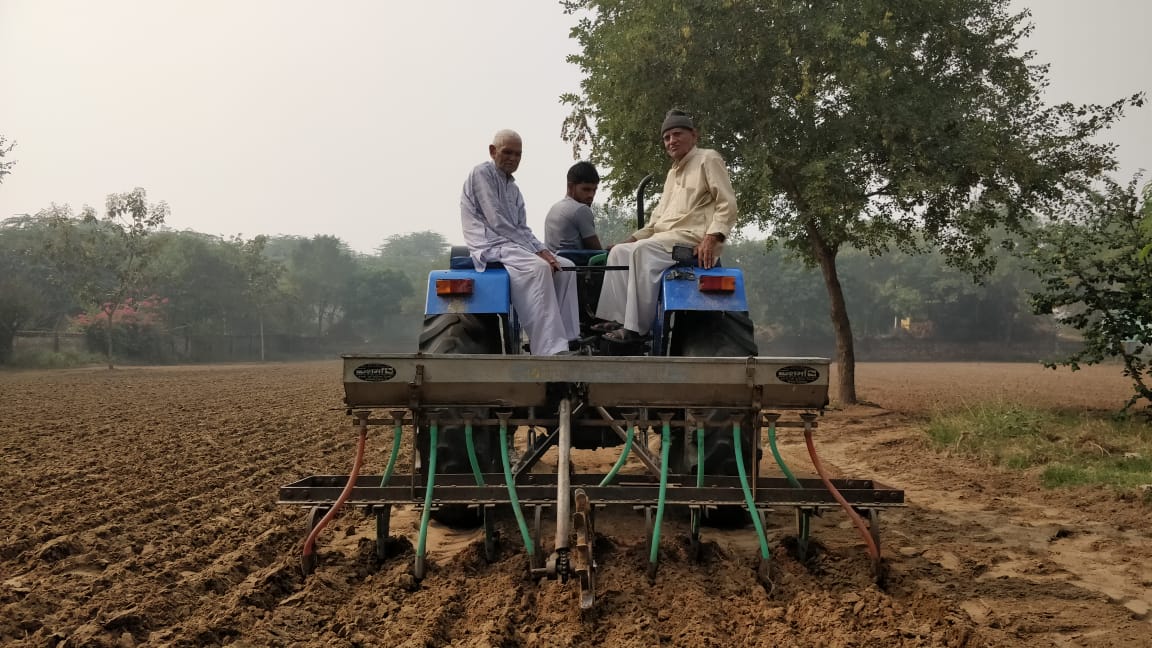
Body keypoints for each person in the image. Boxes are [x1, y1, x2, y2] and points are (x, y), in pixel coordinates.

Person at [595, 110, 738, 343]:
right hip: (665, 239)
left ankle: (637, 330)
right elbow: (656, 222)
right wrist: (629, 240)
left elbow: (727, 203)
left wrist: (712, 238)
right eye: (667, 137)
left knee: (643, 251)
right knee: (620, 252)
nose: (671, 141)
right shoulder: (672, 174)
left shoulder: (708, 158)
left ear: (694, 135)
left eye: (677, 134)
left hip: (692, 240)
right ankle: (619, 319)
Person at [460, 129, 581, 356]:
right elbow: (498, 222)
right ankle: (549, 349)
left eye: (518, 154)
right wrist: (538, 253)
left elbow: (522, 228)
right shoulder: (481, 173)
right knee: (539, 268)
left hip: (511, 245)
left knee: (565, 266)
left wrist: (544, 250)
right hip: (490, 245)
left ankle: (569, 338)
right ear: (492, 151)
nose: (513, 159)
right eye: (507, 152)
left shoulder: (513, 189)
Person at [544, 161, 603, 251]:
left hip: (554, 263)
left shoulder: (554, 208)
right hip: (574, 264)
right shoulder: (581, 210)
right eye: (586, 189)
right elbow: (597, 251)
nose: (591, 195)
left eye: (594, 190)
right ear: (570, 186)